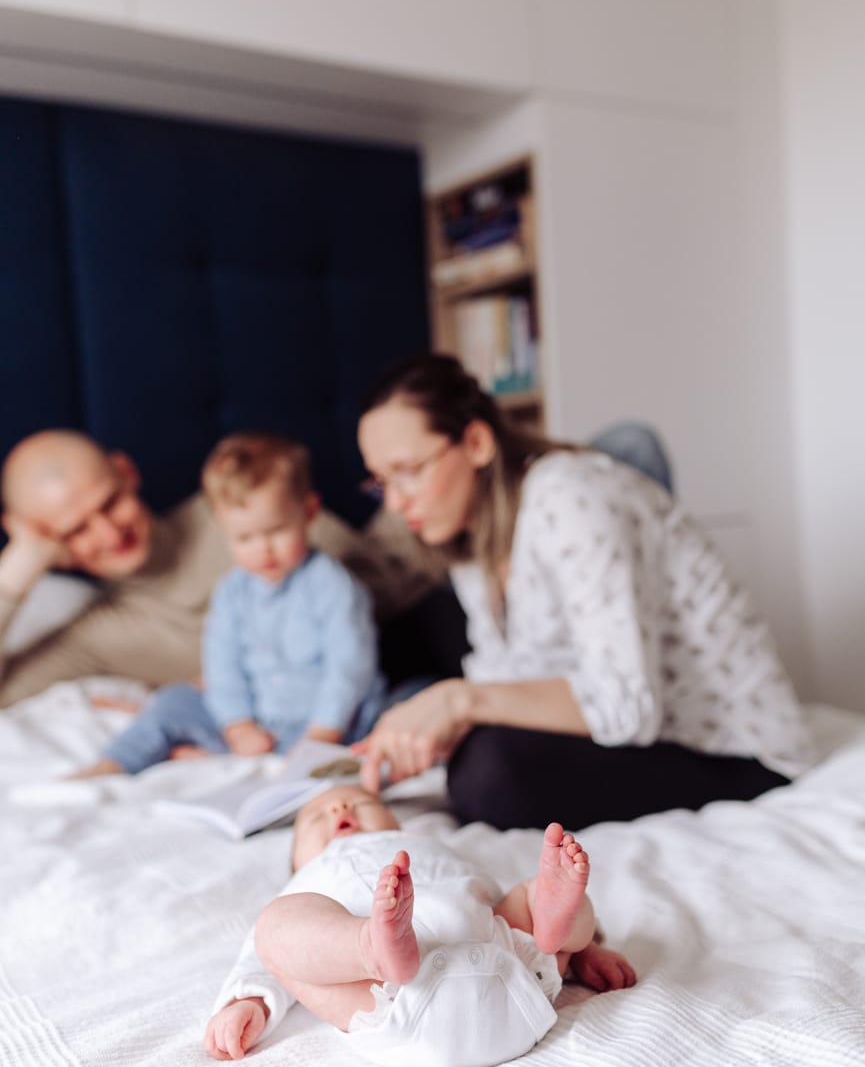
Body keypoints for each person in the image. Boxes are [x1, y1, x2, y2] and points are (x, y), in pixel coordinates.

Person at [351, 353, 814, 831]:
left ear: (476, 442)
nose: (394, 501)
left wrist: (459, 701)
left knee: (488, 772)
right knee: (458, 747)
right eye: (381, 481)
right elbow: (507, 678)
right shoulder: (471, 536)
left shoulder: (572, 494)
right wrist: (434, 728)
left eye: (408, 470)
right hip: (645, 738)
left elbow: (626, 707)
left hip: (731, 750)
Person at [204, 784, 636, 1067]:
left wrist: (582, 952)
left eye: (361, 801)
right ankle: (368, 945)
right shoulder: (307, 879)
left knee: (530, 896)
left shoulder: (428, 848)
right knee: (276, 928)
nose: (338, 808)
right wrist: (248, 1001)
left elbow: (494, 905)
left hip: (513, 968)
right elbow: (262, 958)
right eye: (315, 816)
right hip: (385, 997)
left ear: (397, 825)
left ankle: (562, 933)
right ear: (298, 859)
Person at [0, 429, 397, 709]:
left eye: (110, 503)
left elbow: (385, 593)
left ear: (126, 472)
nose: (108, 533)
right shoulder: (99, 635)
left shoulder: (241, 507)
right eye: (76, 530)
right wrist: (19, 567)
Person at [71, 434, 387, 777]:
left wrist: (322, 733)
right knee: (175, 701)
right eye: (245, 538)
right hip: (256, 721)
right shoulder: (231, 592)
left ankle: (220, 759)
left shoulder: (333, 586)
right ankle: (115, 763)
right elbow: (223, 665)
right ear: (224, 531)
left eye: (277, 531)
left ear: (309, 512)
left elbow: (348, 668)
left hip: (321, 721)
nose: (264, 548)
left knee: (385, 712)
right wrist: (239, 726)